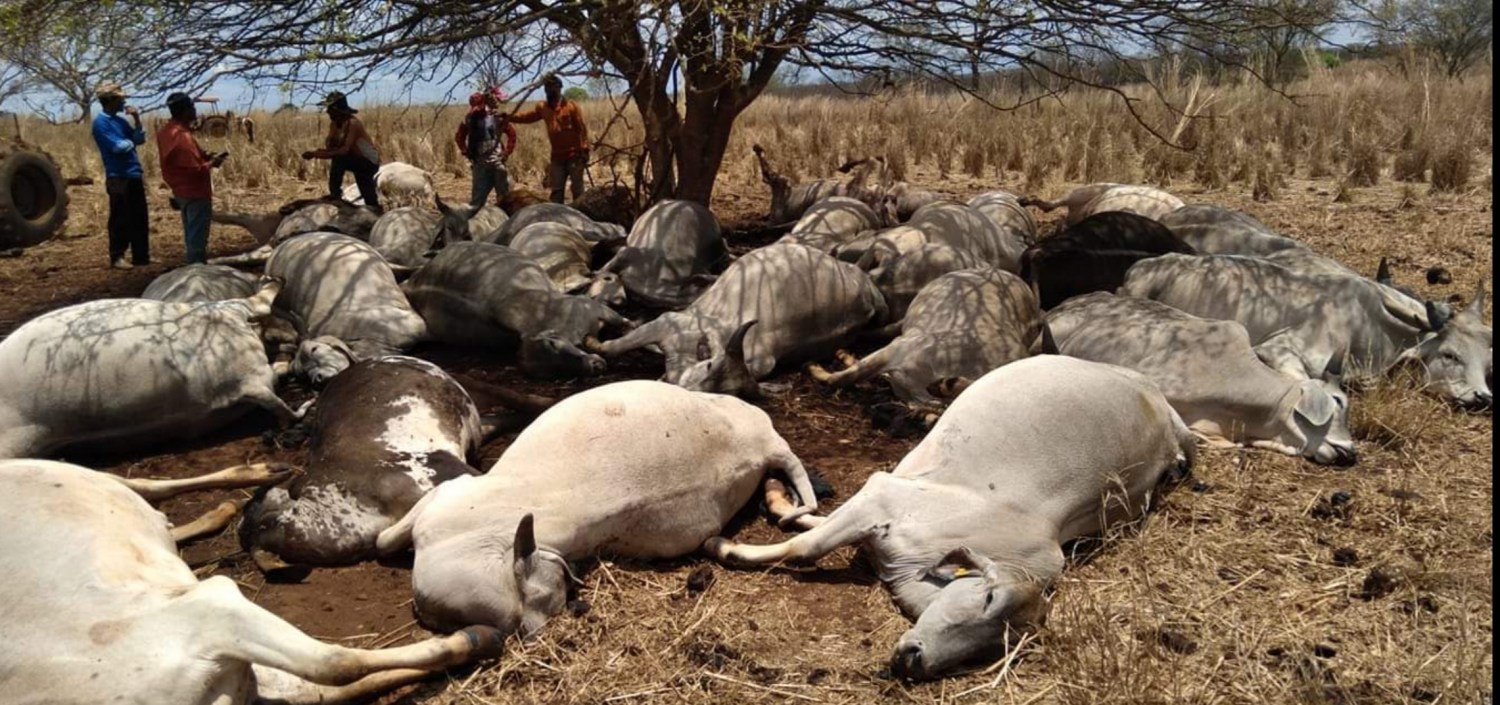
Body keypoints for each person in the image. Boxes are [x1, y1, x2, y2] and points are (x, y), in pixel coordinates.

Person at [157, 92, 227, 264]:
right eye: (192, 108)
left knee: (190, 232)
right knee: (197, 238)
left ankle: (193, 263)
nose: (195, 111)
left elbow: (188, 158)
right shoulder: (182, 137)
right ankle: (196, 270)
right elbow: (195, 170)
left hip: (180, 190)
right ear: (185, 111)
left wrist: (206, 155)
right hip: (195, 192)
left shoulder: (167, 132)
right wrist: (213, 163)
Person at [90, 81, 149, 269]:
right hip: (117, 175)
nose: (124, 103)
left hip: (133, 173)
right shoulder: (100, 123)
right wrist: (131, 140)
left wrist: (137, 120)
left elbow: (140, 138)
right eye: (120, 99)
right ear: (110, 100)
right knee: (120, 217)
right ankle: (117, 256)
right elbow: (118, 147)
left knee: (139, 216)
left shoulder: (121, 121)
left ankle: (141, 256)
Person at [509, 74, 589, 203]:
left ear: (560, 88)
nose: (550, 90)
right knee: (557, 190)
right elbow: (527, 117)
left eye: (553, 87)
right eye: (547, 87)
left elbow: (582, 128)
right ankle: (556, 217)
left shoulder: (571, 106)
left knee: (578, 189)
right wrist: (509, 117)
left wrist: (585, 149)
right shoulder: (543, 107)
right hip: (557, 157)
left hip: (575, 155)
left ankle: (582, 216)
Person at [301, 91, 381, 210]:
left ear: (337, 109)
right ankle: (339, 196)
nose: (328, 112)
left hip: (368, 162)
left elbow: (343, 151)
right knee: (366, 191)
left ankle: (336, 195)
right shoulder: (335, 124)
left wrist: (316, 154)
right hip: (355, 159)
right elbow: (331, 148)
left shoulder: (352, 123)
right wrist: (319, 152)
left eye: (330, 109)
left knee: (341, 161)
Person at [454, 87, 517, 209]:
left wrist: (506, 152)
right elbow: (459, 136)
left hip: (496, 159)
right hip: (479, 162)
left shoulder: (496, 117)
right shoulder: (469, 118)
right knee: (477, 199)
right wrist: (466, 151)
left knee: (504, 197)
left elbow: (512, 134)